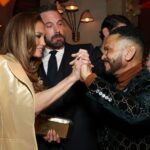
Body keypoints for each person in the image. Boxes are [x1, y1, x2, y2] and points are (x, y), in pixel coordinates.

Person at [0, 12, 88, 150]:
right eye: (38, 36)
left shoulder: (25, 67)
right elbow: (31, 105)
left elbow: (18, 115)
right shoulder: (3, 63)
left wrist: (43, 128)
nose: (43, 42)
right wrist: (73, 77)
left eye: (43, 36)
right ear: (23, 35)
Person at [74, 26, 150, 149]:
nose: (103, 56)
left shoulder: (147, 82)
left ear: (129, 53)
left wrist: (90, 78)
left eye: (108, 50)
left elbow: (137, 113)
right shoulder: (110, 84)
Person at [37, 3, 99, 150]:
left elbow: (99, 96)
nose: (57, 30)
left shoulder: (85, 52)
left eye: (60, 24)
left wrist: (89, 74)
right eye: (49, 25)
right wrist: (42, 128)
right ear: (39, 30)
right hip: (43, 144)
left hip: (80, 142)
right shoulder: (30, 62)